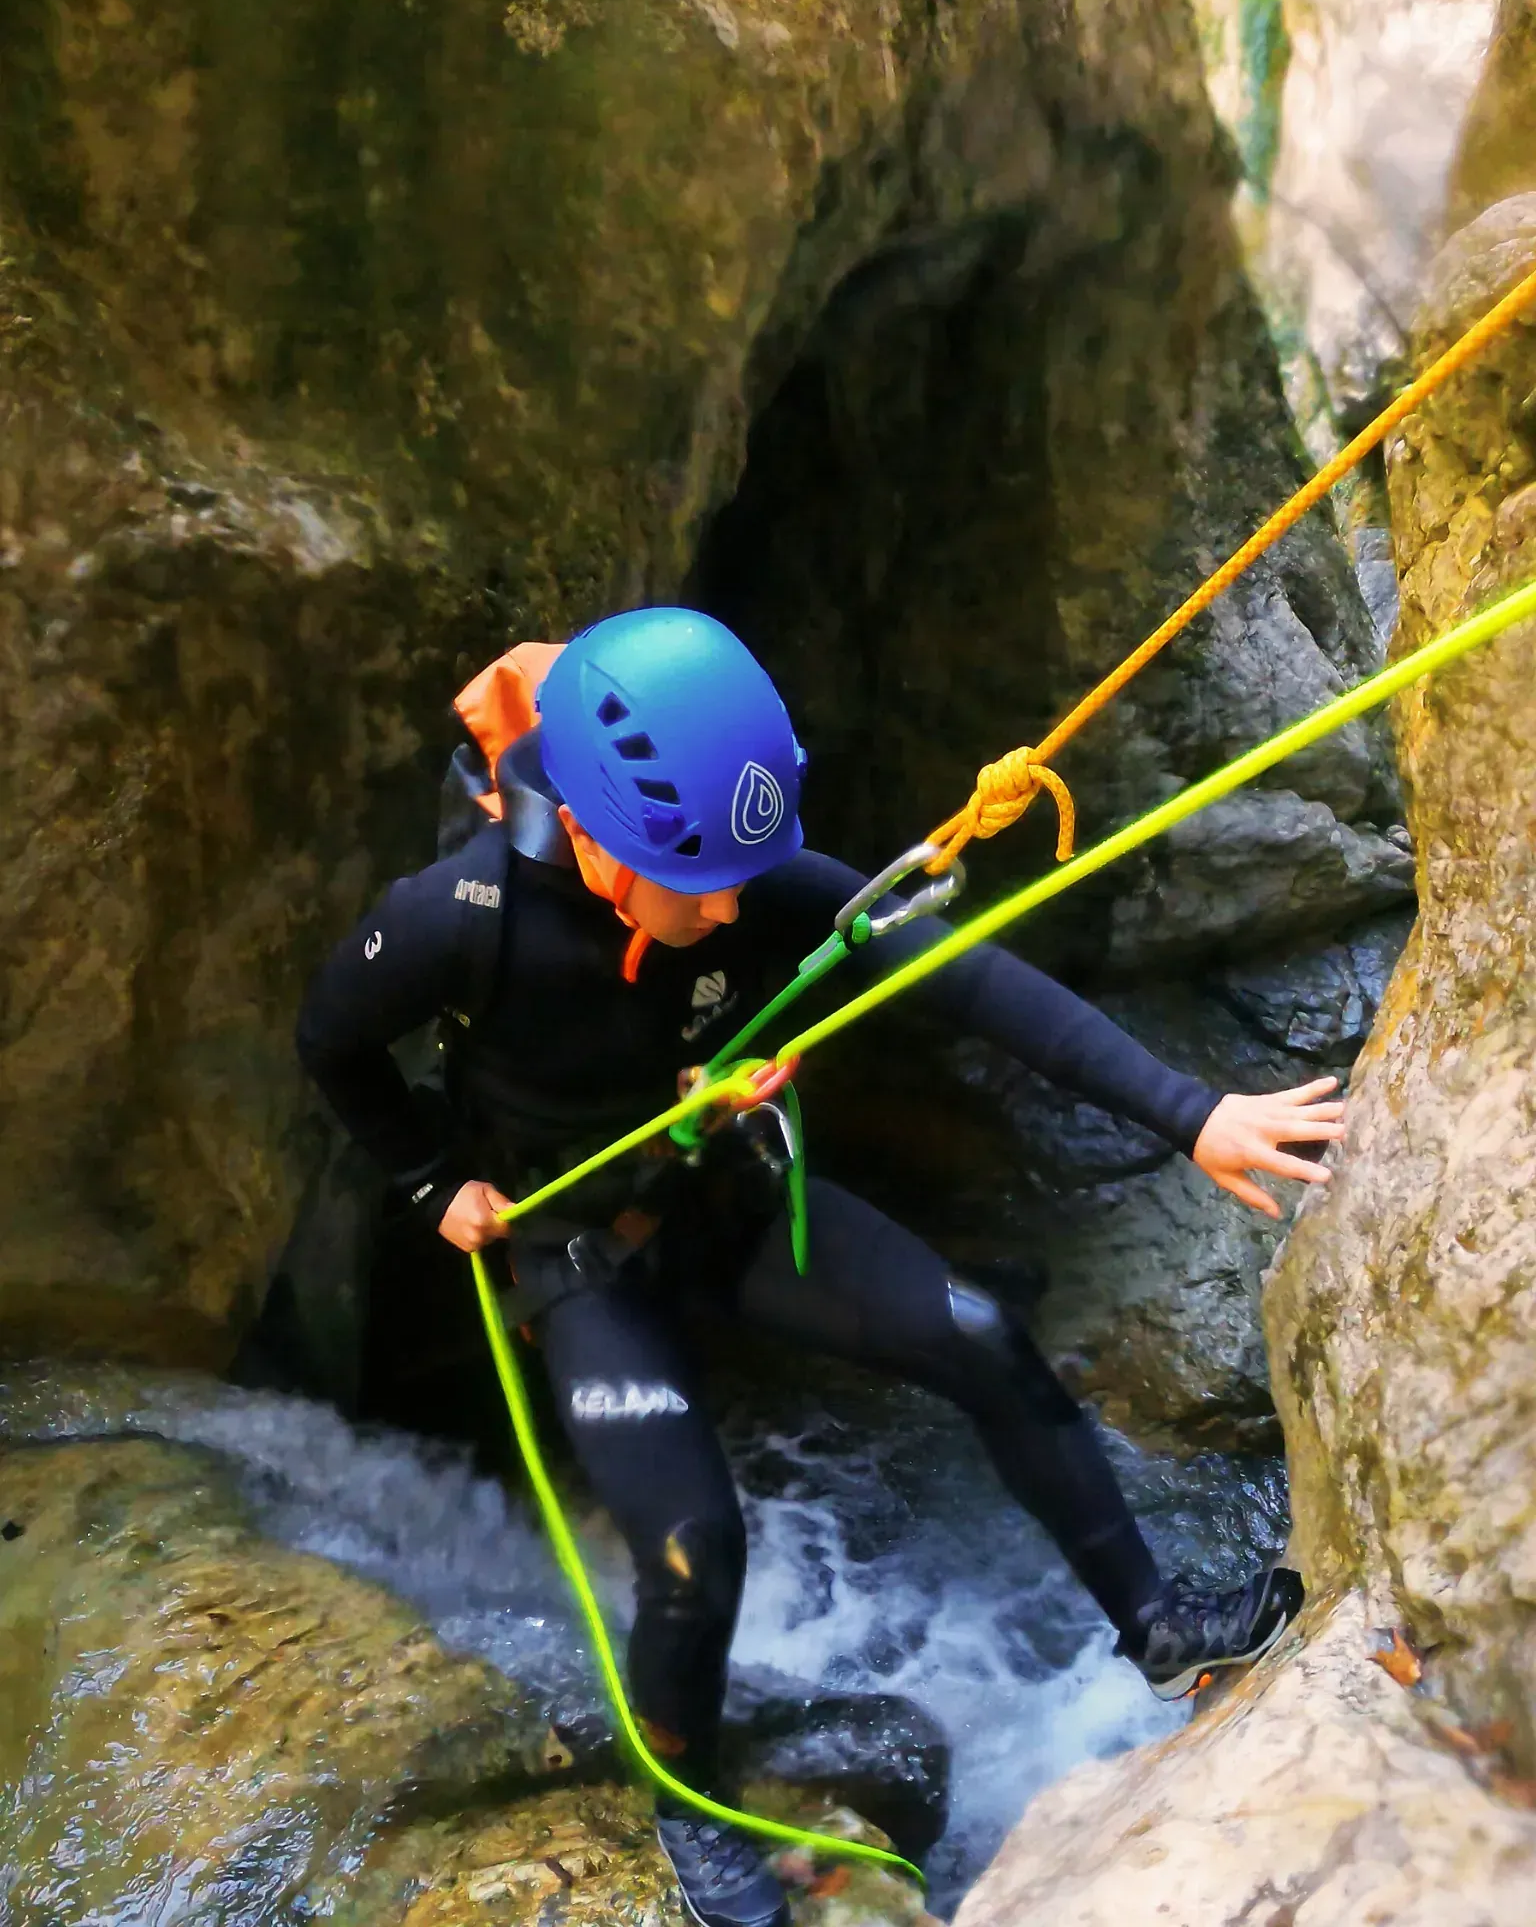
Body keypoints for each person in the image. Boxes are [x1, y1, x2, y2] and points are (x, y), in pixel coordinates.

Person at [297, 608, 1339, 1927]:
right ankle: (686, 1807)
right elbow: (331, 1042)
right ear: (600, 849)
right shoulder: (461, 921)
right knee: (692, 1547)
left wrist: (1191, 1112)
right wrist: (436, 1181)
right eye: (703, 886)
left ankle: (1160, 1629)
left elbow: (970, 982)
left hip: (729, 1202)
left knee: (977, 1330)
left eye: (745, 877)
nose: (733, 909)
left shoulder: (746, 879)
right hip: (580, 1260)